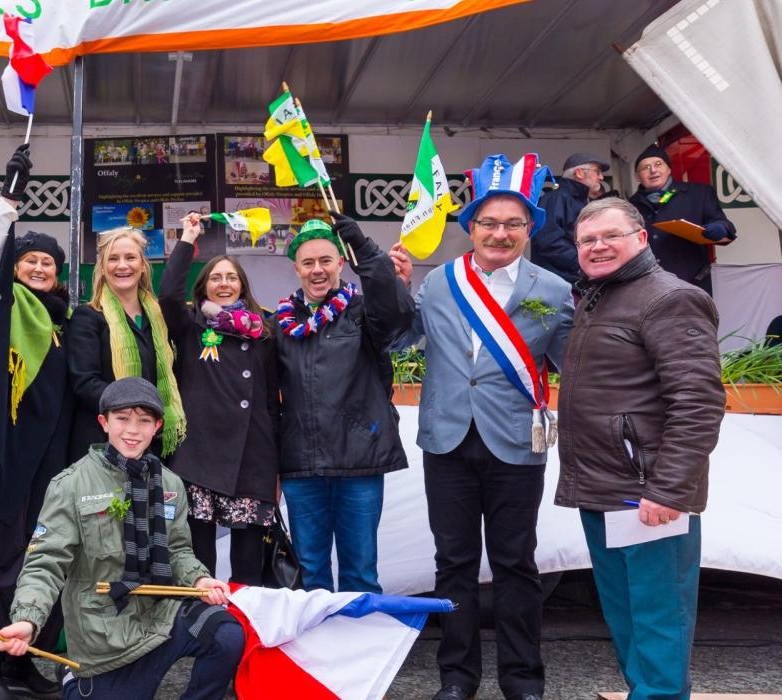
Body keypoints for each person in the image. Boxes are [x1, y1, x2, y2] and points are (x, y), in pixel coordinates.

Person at [389, 153, 574, 700]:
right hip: (447, 439)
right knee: (454, 562)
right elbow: (402, 341)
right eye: (488, 223)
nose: (500, 233)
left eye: (513, 223)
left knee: (517, 563)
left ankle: (522, 679)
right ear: (470, 228)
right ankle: (457, 676)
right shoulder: (440, 283)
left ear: (529, 229)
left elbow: (575, 366)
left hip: (517, 441)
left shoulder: (555, 290)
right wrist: (397, 290)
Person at [556, 198, 725, 700]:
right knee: (628, 617)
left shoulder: (669, 298)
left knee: (658, 621)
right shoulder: (598, 296)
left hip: (648, 494)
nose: (597, 247)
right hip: (605, 489)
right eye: (587, 240)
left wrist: (669, 490)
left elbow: (698, 401)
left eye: (610, 236)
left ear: (642, 238)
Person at [0, 377, 244, 700]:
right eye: (122, 418)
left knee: (227, 635)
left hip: (160, 620)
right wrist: (27, 619)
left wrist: (199, 579)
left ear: (156, 426)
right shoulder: (69, 485)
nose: (132, 430)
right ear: (104, 422)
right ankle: (74, 677)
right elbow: (45, 563)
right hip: (104, 642)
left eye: (143, 420)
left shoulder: (170, 485)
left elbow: (179, 550)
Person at [0, 145, 72, 700]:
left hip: (49, 468)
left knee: (40, 559)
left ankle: (24, 667)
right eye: (31, 260)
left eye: (49, 262)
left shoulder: (68, 322)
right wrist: (9, 195)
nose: (40, 267)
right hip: (0, 459)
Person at [273, 213, 412, 593]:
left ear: (339, 263)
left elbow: (399, 313)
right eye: (308, 262)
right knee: (310, 573)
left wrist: (365, 249)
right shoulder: (280, 324)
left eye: (325, 261)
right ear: (296, 269)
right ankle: (318, 650)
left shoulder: (365, 313)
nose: (317, 270)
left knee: (360, 572)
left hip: (360, 460)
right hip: (302, 464)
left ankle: (361, 649)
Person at [159, 212, 279, 585]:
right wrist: (187, 238)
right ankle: (204, 631)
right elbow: (167, 294)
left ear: (242, 286)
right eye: (215, 278)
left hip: (253, 455)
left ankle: (246, 632)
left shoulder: (267, 329)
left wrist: (277, 465)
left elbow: (273, 400)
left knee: (248, 563)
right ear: (204, 287)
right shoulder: (192, 325)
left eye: (231, 277)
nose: (224, 284)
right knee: (199, 559)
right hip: (199, 454)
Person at [67, 227, 185, 461]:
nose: (122, 265)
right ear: (102, 267)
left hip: (154, 444)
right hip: (103, 447)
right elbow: (85, 383)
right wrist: (137, 410)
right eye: (113, 258)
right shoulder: (88, 317)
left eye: (130, 257)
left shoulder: (160, 319)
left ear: (143, 265)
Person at [627, 144, 735, 296]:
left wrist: (719, 228)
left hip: (690, 285)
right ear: (638, 176)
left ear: (669, 169)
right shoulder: (628, 205)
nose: (653, 170)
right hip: (646, 288)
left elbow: (723, 224)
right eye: (645, 167)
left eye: (658, 164)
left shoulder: (699, 193)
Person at [531, 153, 618, 285]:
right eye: (597, 171)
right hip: (559, 286)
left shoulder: (580, 201)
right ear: (579, 173)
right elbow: (549, 242)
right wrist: (585, 264)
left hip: (576, 283)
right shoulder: (556, 198)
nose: (601, 177)